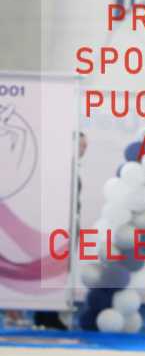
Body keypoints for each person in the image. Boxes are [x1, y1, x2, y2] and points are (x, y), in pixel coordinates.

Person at [34, 130, 88, 330]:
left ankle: (48, 314)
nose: (83, 150)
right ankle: (47, 315)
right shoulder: (62, 169)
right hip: (59, 228)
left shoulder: (71, 168)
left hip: (67, 227)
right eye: (81, 145)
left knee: (59, 272)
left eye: (85, 146)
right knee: (53, 272)